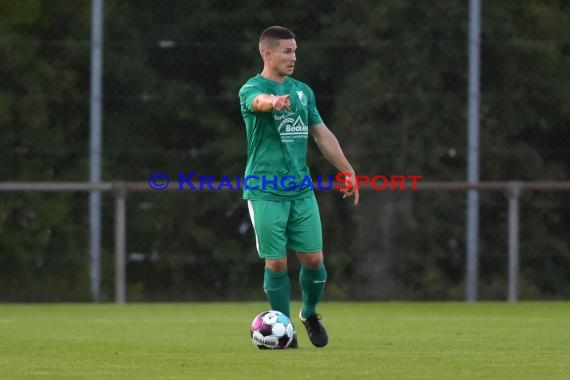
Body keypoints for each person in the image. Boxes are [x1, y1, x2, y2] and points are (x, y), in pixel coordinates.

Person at [238, 26, 359, 348]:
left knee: (314, 261)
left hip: (300, 190)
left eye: (295, 51)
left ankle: (309, 313)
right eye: (287, 51)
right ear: (267, 53)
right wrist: (273, 102)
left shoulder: (303, 91)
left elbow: (322, 135)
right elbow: (258, 102)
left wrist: (347, 170)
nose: (293, 57)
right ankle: (284, 328)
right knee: (277, 263)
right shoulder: (251, 88)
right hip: (264, 189)